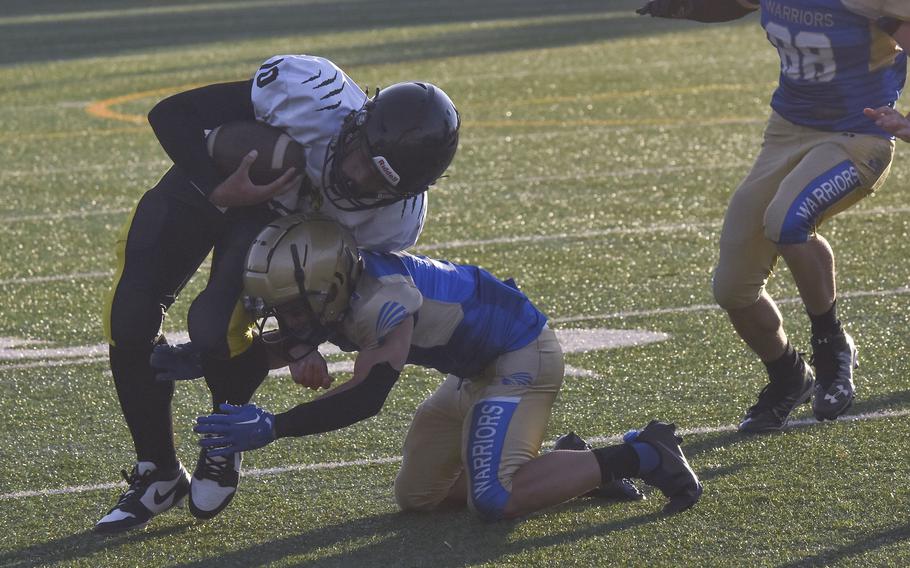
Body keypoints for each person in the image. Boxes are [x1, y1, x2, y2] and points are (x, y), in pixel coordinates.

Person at [95, 53, 460, 534]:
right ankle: (157, 473)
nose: (356, 178)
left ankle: (222, 439)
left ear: (408, 191)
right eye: (360, 158)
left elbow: (335, 285)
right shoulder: (312, 94)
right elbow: (171, 114)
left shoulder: (397, 221)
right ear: (356, 124)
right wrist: (217, 186)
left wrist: (303, 338)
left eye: (380, 181)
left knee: (214, 328)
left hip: (275, 222)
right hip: (218, 179)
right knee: (130, 317)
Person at [177, 216, 702, 520]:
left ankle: (642, 454)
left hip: (520, 358)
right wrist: (197, 359)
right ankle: (570, 467)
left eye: (292, 307)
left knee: (493, 499)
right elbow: (283, 343)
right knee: (418, 496)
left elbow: (368, 395)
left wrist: (277, 425)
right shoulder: (343, 287)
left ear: (329, 287)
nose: (287, 321)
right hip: (475, 372)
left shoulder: (383, 300)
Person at [637, 0, 910, 432]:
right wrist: (684, 7)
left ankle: (831, 345)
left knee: (787, 219)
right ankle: (788, 374)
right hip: (785, 133)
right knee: (733, 289)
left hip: (857, 136)